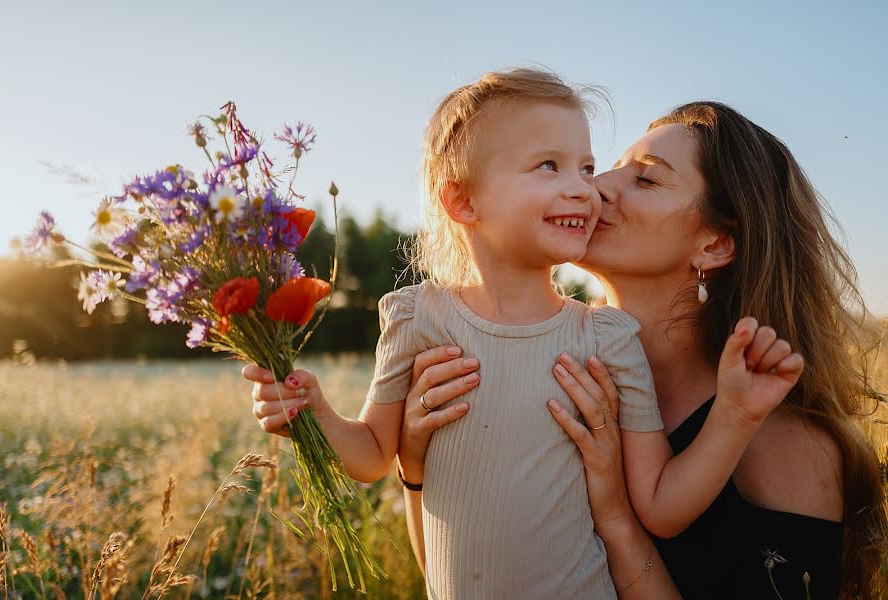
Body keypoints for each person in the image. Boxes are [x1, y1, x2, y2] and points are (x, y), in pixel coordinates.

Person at [245, 70, 804, 599]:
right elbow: (370, 457)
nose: (587, 190)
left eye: (585, 168)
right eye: (548, 167)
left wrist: (733, 415)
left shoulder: (606, 338)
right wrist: (313, 412)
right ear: (463, 200)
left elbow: (660, 504)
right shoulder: (417, 318)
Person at [398, 101, 888, 599]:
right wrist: (416, 471)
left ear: (715, 244)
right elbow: (456, 577)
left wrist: (616, 517)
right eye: (608, 168)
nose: (597, 186)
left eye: (647, 181)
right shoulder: (554, 372)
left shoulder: (786, 448)